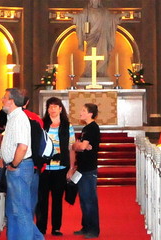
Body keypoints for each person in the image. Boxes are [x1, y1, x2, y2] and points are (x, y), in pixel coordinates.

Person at [0, 88, 44, 240]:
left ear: (12, 101)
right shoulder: (12, 117)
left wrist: (14, 164)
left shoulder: (19, 118)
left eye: (5, 98)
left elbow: (23, 146)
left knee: (21, 210)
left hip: (20, 167)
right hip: (16, 167)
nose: (2, 100)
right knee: (13, 210)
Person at [36, 97, 75, 236]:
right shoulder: (41, 124)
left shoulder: (67, 126)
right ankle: (41, 227)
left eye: (55, 107)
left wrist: (71, 167)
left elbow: (71, 147)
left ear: (60, 108)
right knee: (42, 199)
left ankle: (56, 227)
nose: (52, 109)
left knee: (58, 199)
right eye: (50, 107)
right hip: (44, 168)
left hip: (60, 168)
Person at [68, 102, 101, 238]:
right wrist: (79, 145)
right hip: (82, 168)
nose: (80, 112)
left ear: (90, 113)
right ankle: (86, 226)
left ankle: (93, 230)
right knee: (83, 199)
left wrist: (77, 145)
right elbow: (80, 146)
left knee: (89, 200)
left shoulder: (92, 128)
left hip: (89, 169)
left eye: (83, 110)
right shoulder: (86, 128)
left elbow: (80, 146)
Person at [72, 0, 120, 77]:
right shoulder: (87, 11)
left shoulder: (104, 12)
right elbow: (80, 17)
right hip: (92, 37)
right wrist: (71, 16)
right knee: (90, 54)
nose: (95, 1)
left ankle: (101, 72)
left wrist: (119, 16)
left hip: (102, 36)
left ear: (99, 0)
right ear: (91, 0)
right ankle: (89, 72)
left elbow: (111, 19)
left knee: (103, 54)